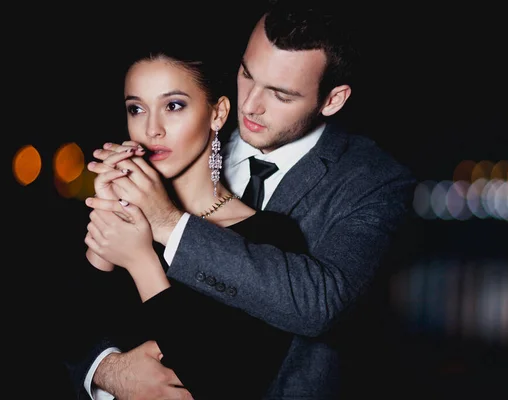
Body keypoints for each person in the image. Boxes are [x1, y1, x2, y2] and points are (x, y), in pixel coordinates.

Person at [84, 0, 416, 398]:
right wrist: (106, 370)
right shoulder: (177, 145)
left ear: (332, 99)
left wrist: (168, 223)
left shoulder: (374, 180)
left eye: (280, 93)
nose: (251, 105)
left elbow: (320, 303)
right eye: (246, 74)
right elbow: (72, 315)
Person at [63, 45, 311, 400]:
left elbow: (222, 382)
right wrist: (107, 211)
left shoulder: (272, 237)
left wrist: (141, 262)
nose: (152, 129)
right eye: (136, 108)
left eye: (173, 106)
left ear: (217, 113)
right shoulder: (122, 218)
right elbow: (68, 340)